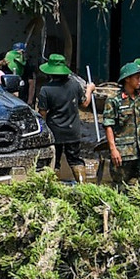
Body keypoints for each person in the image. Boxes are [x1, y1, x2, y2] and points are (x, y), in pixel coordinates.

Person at [102, 61, 140, 191]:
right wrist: (113, 150)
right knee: (123, 188)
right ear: (127, 79)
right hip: (124, 152)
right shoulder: (114, 100)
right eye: (137, 77)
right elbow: (108, 125)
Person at [34, 53, 89, 182]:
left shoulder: (46, 89)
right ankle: (84, 186)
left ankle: (54, 187)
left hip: (55, 131)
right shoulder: (75, 85)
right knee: (75, 160)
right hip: (73, 131)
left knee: (54, 161)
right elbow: (85, 104)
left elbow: (42, 113)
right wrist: (90, 90)